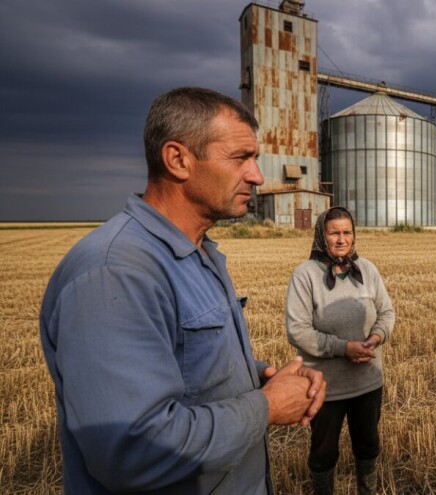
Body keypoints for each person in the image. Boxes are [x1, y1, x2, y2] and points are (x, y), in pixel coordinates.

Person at [39, 87, 326, 494]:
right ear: (177, 160)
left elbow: (183, 358)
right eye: (240, 158)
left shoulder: (198, 252)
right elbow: (133, 450)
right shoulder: (116, 272)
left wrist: (255, 377)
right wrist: (267, 406)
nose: (257, 176)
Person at [285, 206, 395, 495]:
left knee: (368, 446)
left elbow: (386, 312)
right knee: (323, 454)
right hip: (325, 387)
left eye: (347, 232)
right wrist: (343, 348)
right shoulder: (305, 275)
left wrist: (376, 337)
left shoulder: (367, 270)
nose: (342, 239)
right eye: (334, 233)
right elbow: (297, 331)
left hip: (367, 383)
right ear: (322, 236)